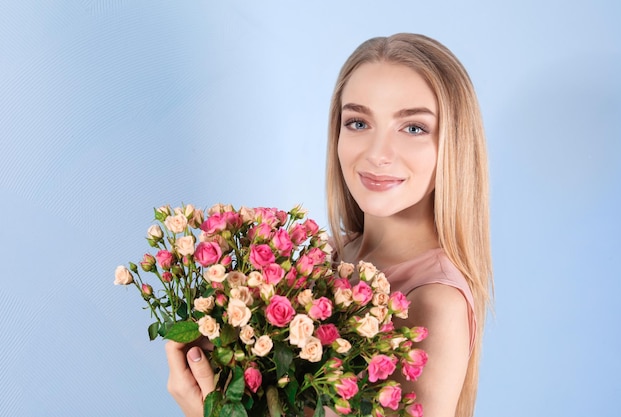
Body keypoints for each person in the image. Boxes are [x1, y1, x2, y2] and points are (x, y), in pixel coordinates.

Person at [166, 33, 492, 417]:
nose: (378, 153)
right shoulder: (336, 256)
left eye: (414, 128)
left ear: (453, 146)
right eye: (358, 122)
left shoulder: (435, 302)